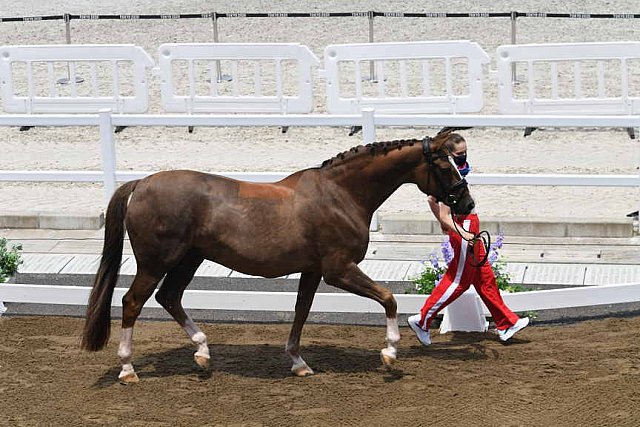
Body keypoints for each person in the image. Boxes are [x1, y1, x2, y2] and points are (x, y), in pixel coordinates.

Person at [407, 132, 529, 345]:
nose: (464, 156)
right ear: (450, 154)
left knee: (485, 278)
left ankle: (506, 323)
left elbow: (431, 201)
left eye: (465, 152)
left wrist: (448, 226)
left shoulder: (459, 171)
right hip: (464, 228)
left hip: (469, 225)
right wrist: (456, 230)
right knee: (459, 281)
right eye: (460, 153)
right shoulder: (449, 177)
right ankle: (423, 319)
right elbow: (440, 208)